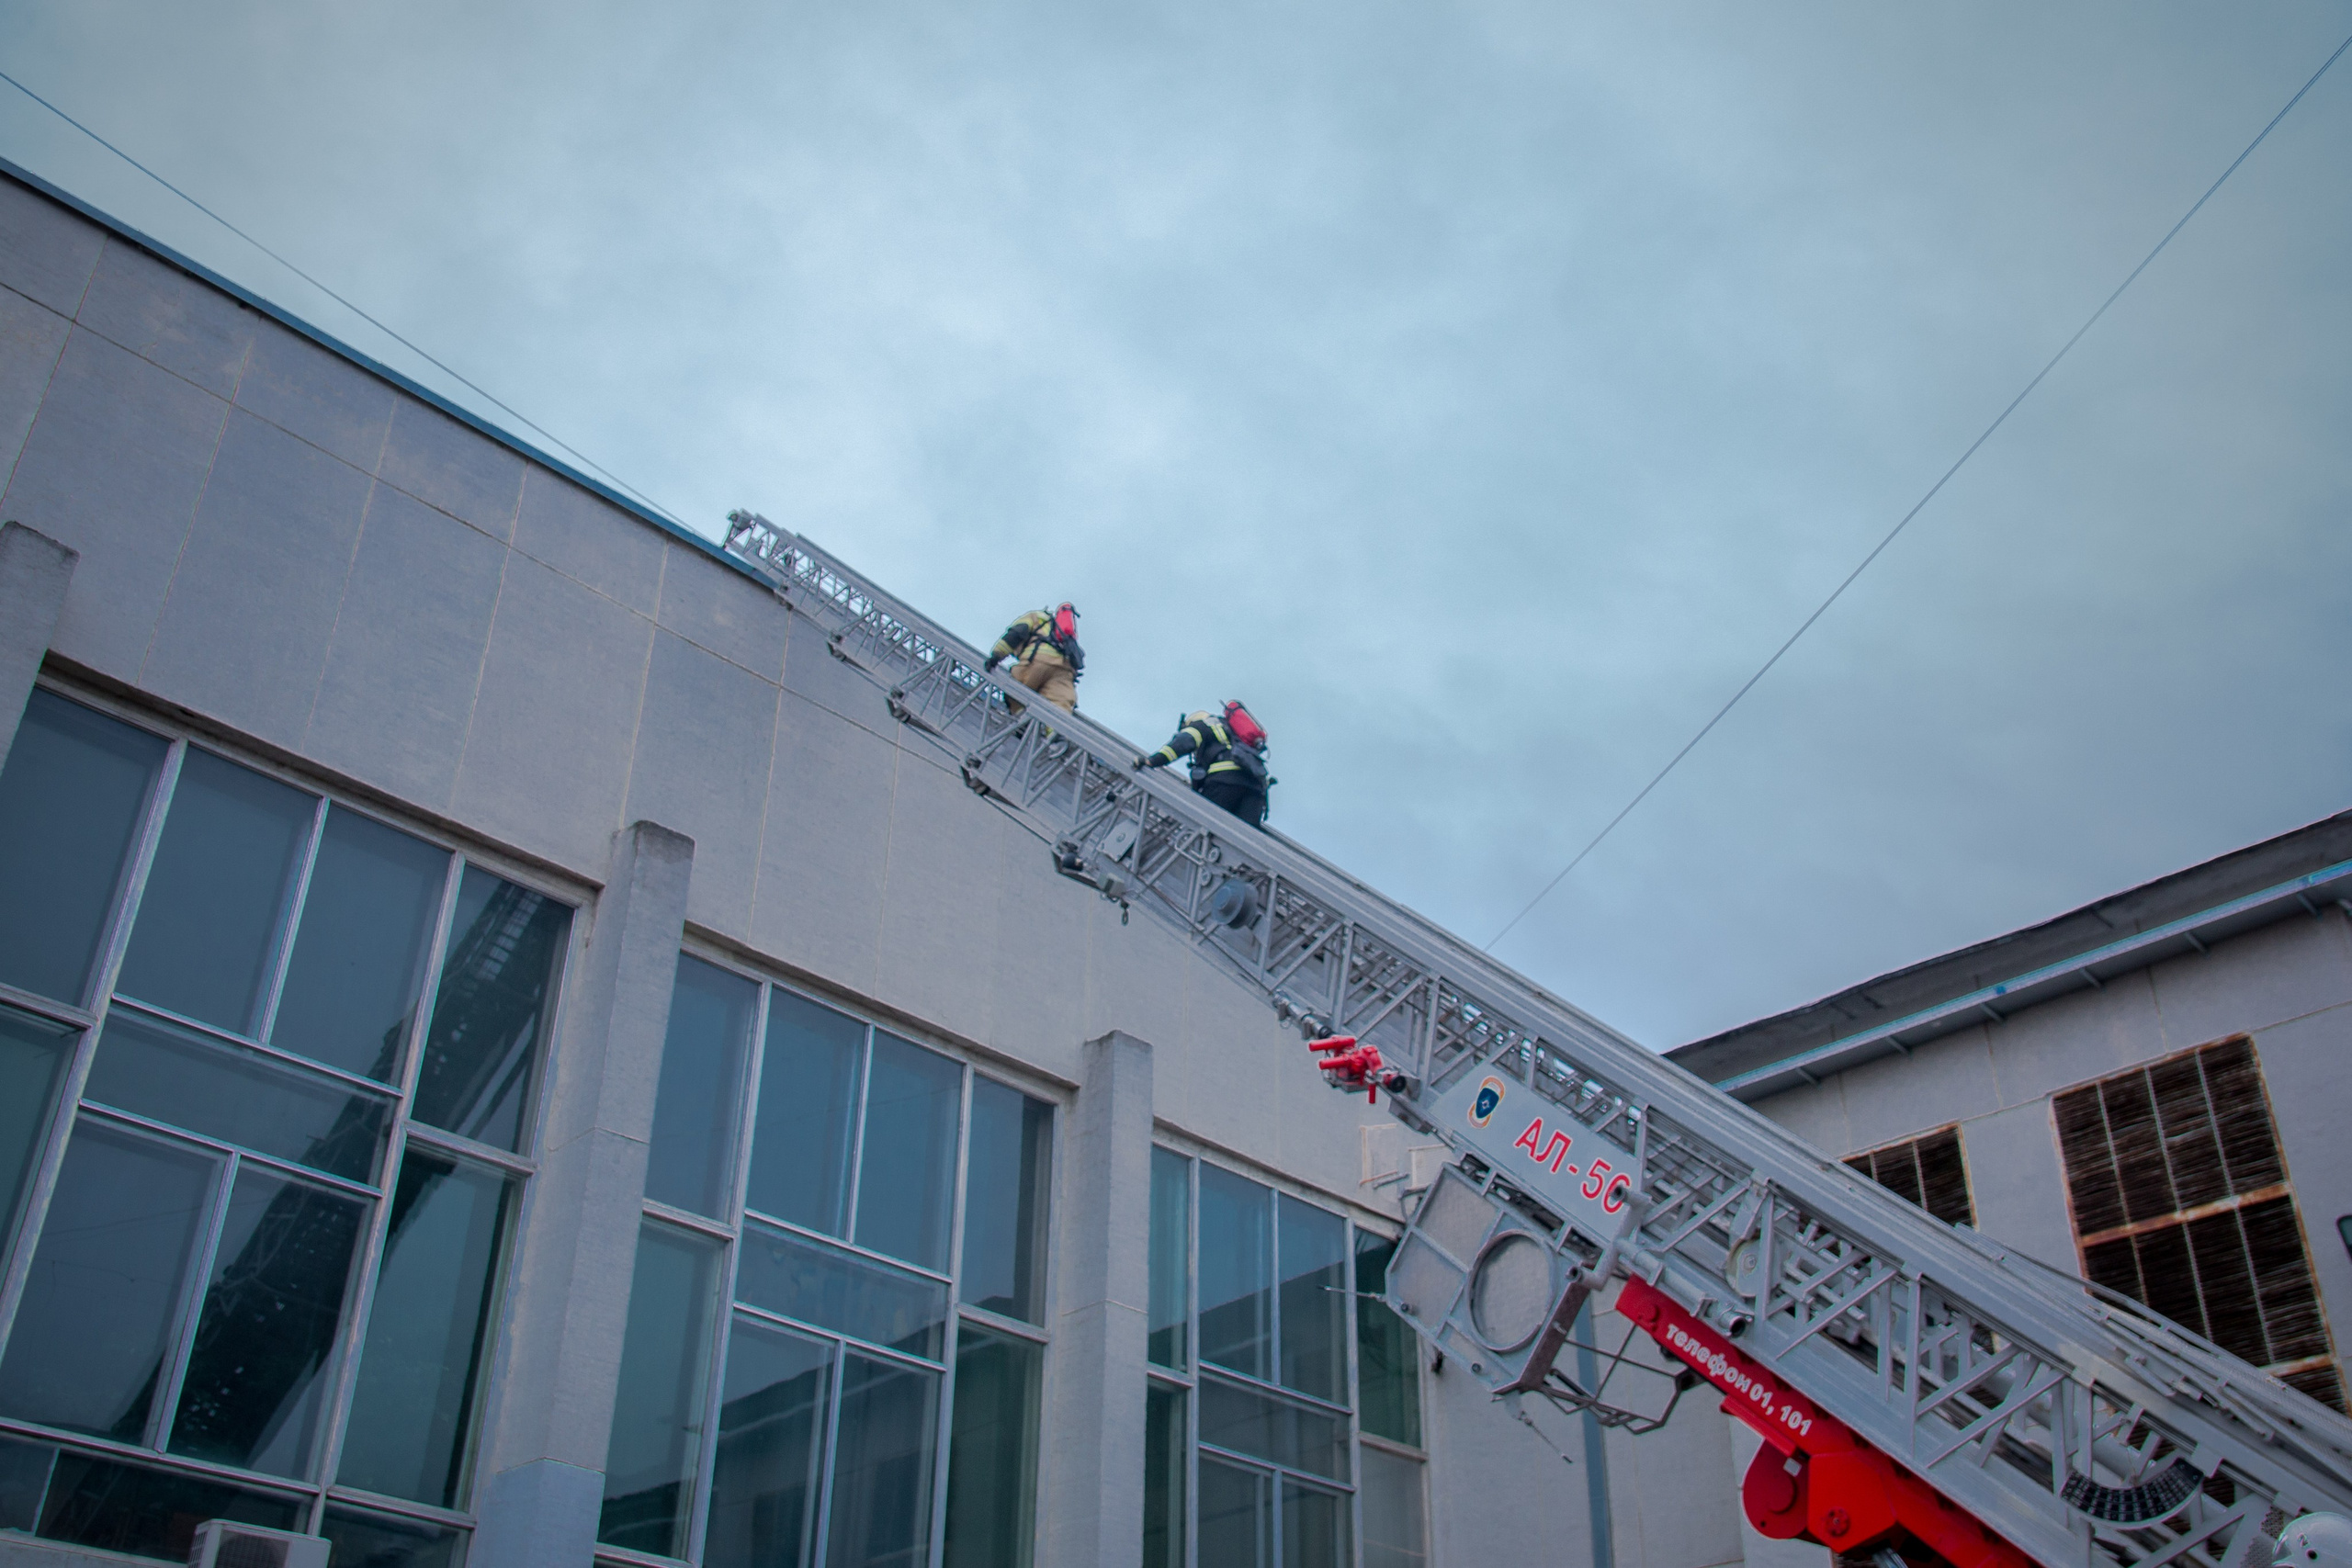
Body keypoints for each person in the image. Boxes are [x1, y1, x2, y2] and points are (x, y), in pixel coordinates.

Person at [1136, 702, 1271, 826]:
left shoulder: (1200, 726)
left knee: (1204, 829)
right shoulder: (1234, 730)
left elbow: (1180, 745)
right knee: (1242, 841)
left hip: (1224, 782)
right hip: (1256, 788)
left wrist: (1152, 761)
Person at [983, 602, 1082, 713]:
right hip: (1064, 673)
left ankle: (1020, 722)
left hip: (1037, 662)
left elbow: (1015, 634)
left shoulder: (1037, 617)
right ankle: (1051, 730)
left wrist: (996, 656)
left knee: (1015, 694)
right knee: (1059, 711)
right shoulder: (1068, 638)